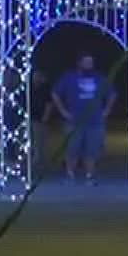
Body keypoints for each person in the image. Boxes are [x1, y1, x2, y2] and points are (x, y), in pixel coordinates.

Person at [50, 54, 115, 183]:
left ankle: (90, 176)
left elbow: (112, 94)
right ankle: (70, 175)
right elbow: (55, 93)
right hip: (74, 121)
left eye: (91, 62)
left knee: (92, 150)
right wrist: (63, 111)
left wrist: (107, 110)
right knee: (72, 149)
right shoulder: (69, 77)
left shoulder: (99, 78)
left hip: (95, 121)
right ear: (79, 63)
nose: (89, 64)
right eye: (86, 62)